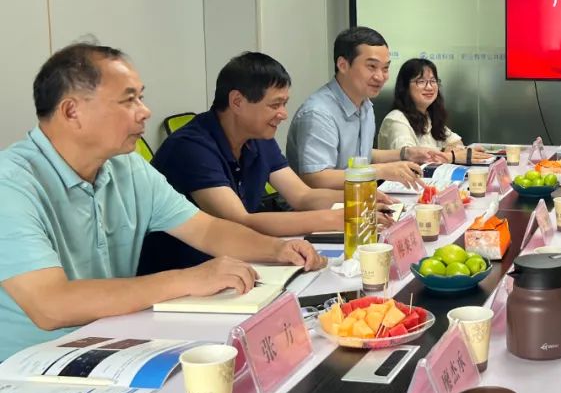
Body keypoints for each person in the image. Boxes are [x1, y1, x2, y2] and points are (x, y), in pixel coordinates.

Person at [0, 44, 325, 361]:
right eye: (129, 100)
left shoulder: (126, 167)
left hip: (114, 340)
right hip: (30, 367)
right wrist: (188, 278)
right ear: (72, 112)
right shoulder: (11, 183)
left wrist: (277, 249)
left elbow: (207, 230)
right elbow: (51, 305)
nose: (145, 111)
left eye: (140, 97)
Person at [139, 52, 390, 274]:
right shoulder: (191, 147)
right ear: (237, 101)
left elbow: (302, 196)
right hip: (182, 275)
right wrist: (337, 218)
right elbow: (239, 220)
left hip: (235, 264)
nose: (283, 114)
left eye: (284, 104)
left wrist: (360, 199)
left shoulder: (258, 137)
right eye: (275, 105)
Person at [286, 27, 442, 189]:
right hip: (327, 203)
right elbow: (316, 178)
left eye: (385, 68)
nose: (380, 77)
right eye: (372, 67)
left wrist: (406, 153)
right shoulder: (319, 113)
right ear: (343, 65)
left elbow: (361, 155)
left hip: (359, 197)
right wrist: (380, 171)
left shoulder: (365, 105)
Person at [377, 58, 490, 164]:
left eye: (433, 81)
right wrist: (451, 156)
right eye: (421, 81)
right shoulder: (396, 120)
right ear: (405, 87)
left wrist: (447, 150)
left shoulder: (428, 116)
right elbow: (412, 160)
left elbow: (456, 143)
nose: (429, 87)